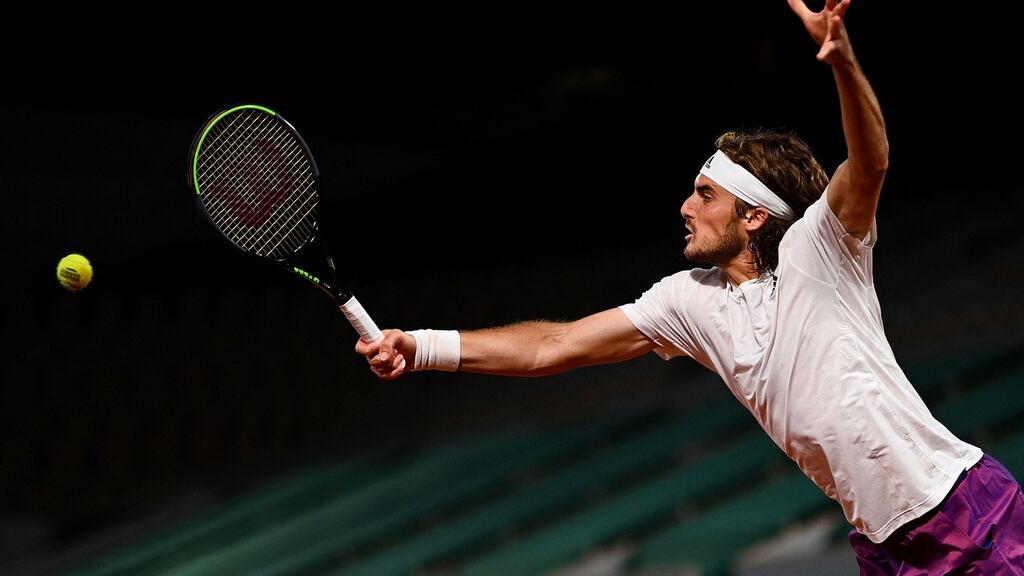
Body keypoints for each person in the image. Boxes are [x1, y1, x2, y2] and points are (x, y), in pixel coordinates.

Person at [356, 1, 1024, 573]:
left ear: (754, 213)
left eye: (705, 194)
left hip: (963, 509)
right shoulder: (687, 300)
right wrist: (420, 346)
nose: (684, 206)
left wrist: (843, 63)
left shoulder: (821, 251)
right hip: (882, 544)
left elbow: (871, 161)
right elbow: (551, 346)